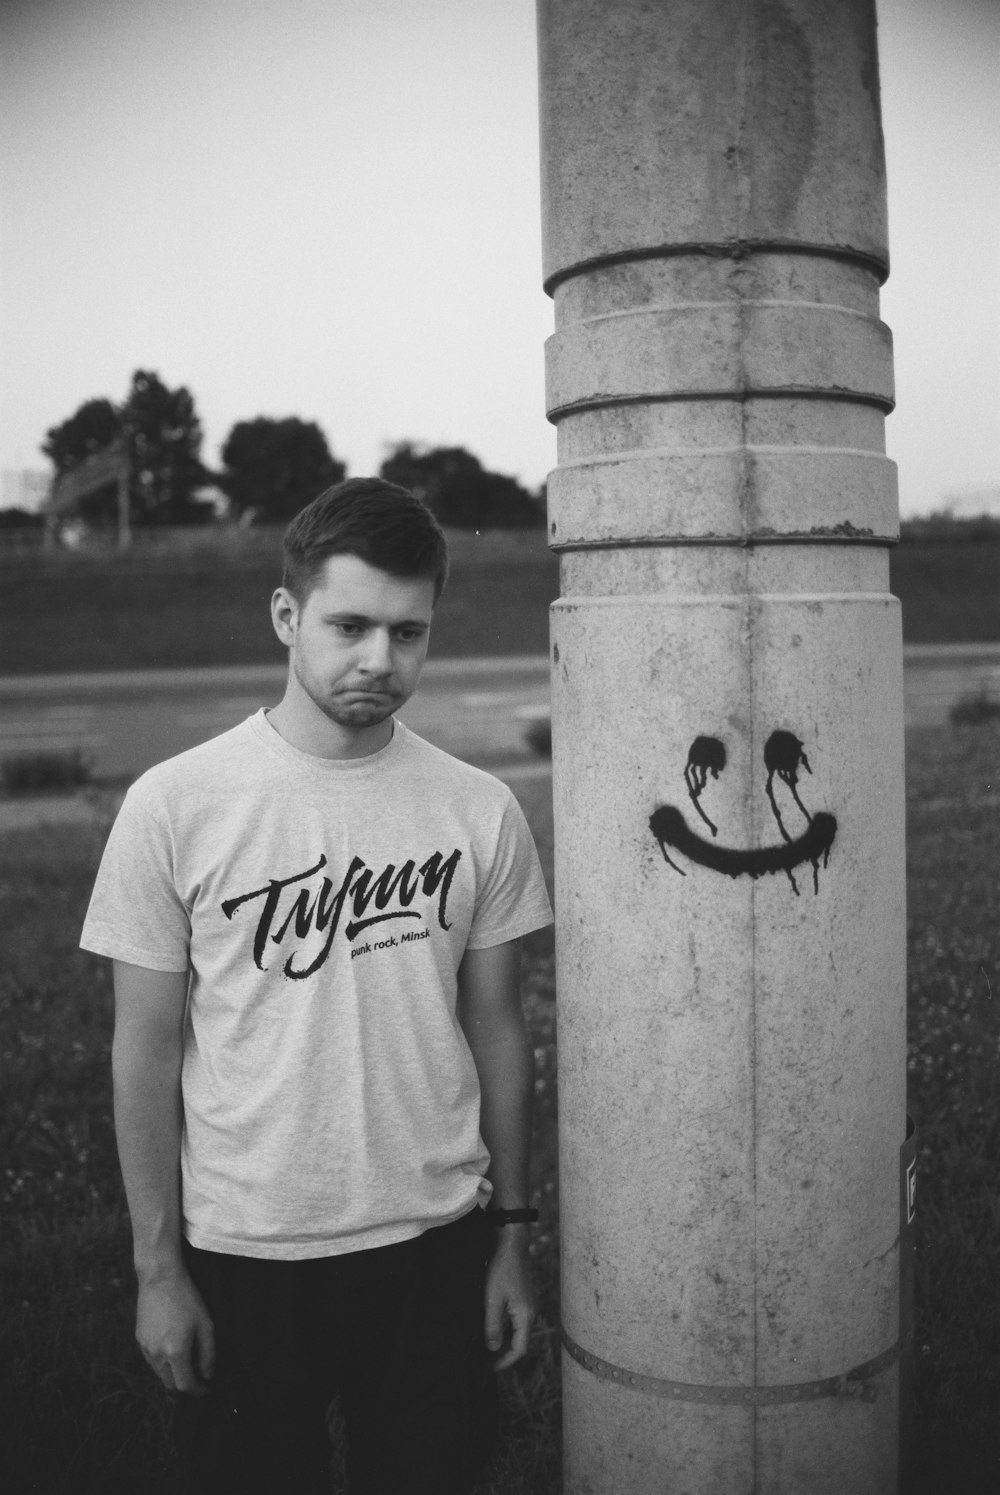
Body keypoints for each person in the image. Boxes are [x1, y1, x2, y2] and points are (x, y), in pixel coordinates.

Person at [80, 478, 553, 1495]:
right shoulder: (176, 805)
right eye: (349, 625)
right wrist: (157, 1268)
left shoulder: (478, 810)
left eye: (408, 632)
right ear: (287, 615)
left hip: (433, 1242)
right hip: (246, 1247)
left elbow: (501, 1031)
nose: (380, 660)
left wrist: (512, 1239)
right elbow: (145, 1049)